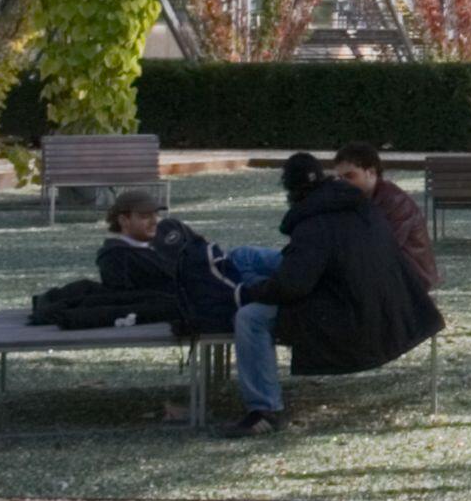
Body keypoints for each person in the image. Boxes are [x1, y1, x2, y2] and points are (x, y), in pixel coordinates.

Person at [222, 151, 443, 439]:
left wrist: (251, 292)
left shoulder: (315, 223)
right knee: (246, 258)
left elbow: (294, 285)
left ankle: (264, 410)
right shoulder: (357, 204)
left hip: (349, 310)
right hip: (373, 294)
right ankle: (227, 284)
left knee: (249, 318)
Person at [94, 189, 261, 333]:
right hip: (210, 294)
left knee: (247, 255)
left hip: (227, 270)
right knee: (256, 271)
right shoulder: (115, 257)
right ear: (124, 220)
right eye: (145, 216)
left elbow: (200, 246)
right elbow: (135, 296)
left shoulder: (167, 229)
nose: (154, 221)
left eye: (155, 214)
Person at [331, 144, 438, 292]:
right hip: (388, 273)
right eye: (339, 178)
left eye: (350, 176)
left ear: (371, 172)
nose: (343, 183)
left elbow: (383, 247)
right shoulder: (359, 198)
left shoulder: (395, 201)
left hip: (410, 278)